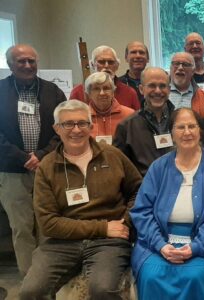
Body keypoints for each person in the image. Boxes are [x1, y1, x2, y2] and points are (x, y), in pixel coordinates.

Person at [20, 100, 142, 299]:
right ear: (56, 128)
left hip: (108, 242)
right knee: (31, 291)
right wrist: (102, 227)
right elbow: (48, 223)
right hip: (62, 242)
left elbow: (138, 190)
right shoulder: (47, 166)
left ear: (90, 126)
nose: (76, 130)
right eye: (68, 124)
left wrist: (124, 222)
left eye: (82, 123)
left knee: (102, 289)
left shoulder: (112, 155)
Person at [130, 107, 204, 299]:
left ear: (200, 131)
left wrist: (195, 247)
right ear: (171, 133)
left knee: (196, 275)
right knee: (151, 275)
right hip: (158, 242)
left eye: (192, 126)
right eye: (180, 127)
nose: (187, 132)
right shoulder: (158, 167)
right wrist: (160, 245)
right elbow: (142, 212)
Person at [0, 44, 66, 275]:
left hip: (47, 169)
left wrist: (40, 155)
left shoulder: (53, 91)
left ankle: (48, 276)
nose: (27, 66)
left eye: (31, 61)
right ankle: (30, 281)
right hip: (12, 172)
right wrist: (22, 158)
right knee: (21, 229)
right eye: (21, 61)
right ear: (10, 64)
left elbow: (64, 127)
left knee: (48, 226)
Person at [114, 67, 175, 176]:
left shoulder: (180, 121)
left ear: (169, 89)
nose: (157, 91)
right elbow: (119, 168)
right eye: (152, 85)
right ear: (141, 89)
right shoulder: (127, 126)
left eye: (162, 86)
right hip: (145, 189)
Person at [70, 45, 140, 110]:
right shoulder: (78, 92)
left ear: (117, 66)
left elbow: (136, 120)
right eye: (101, 62)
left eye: (111, 62)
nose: (106, 66)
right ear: (92, 65)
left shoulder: (129, 93)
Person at [85, 72, 134, 144]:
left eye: (106, 88)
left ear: (113, 91)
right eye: (96, 89)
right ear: (89, 94)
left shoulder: (129, 115)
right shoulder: (83, 116)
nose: (102, 93)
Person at [168, 52, 204, 119]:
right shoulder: (159, 94)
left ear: (193, 71)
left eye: (185, 64)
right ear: (170, 68)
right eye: (176, 63)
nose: (180, 68)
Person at [119, 41, 149, 106]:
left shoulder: (156, 84)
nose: (138, 56)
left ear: (148, 58)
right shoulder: (117, 84)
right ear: (126, 58)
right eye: (133, 52)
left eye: (141, 52)